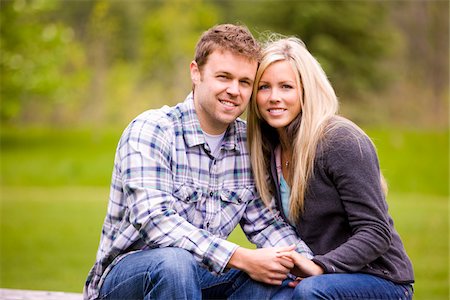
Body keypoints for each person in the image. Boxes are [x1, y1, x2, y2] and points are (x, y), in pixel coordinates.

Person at [84, 24, 313, 300]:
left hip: (203, 277)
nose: (234, 90)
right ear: (196, 73)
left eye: (245, 82)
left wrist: (305, 264)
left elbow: (265, 222)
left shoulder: (247, 142)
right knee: (174, 263)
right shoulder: (153, 129)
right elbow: (155, 221)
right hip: (129, 280)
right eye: (223, 77)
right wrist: (240, 256)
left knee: (278, 277)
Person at [247, 35, 415, 299]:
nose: (274, 97)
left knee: (310, 292)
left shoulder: (340, 140)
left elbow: (376, 232)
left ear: (306, 90)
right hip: (319, 276)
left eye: (286, 87)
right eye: (264, 87)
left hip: (378, 278)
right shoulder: (270, 148)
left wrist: (319, 267)